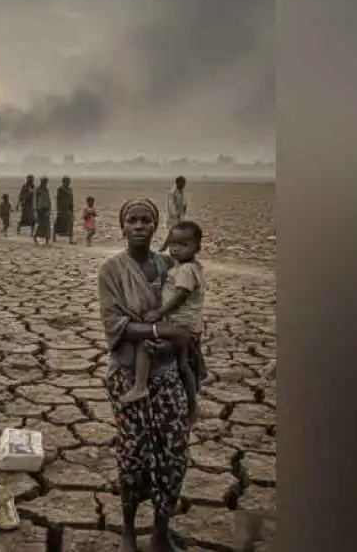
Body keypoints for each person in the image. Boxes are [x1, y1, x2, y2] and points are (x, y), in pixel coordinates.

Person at [97, 198, 201, 552]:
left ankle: (160, 531)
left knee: (173, 453)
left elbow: (187, 317)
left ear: (155, 227)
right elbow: (116, 326)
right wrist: (163, 333)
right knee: (133, 454)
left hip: (167, 375)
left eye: (145, 220)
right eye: (132, 220)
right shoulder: (111, 271)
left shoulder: (171, 265)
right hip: (129, 377)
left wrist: (175, 342)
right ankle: (128, 530)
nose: (139, 226)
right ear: (122, 226)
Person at [120, 221, 208, 422]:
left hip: (179, 325)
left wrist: (159, 313)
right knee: (183, 364)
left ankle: (140, 387)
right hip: (189, 325)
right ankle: (193, 403)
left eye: (183, 244)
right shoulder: (190, 267)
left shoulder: (186, 270)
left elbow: (180, 296)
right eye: (172, 243)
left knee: (146, 342)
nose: (175, 248)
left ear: (197, 247)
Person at [165, 176, 187, 241]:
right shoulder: (172, 192)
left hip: (180, 215)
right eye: (183, 183)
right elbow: (171, 205)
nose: (184, 185)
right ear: (178, 183)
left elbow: (183, 201)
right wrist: (175, 214)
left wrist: (184, 207)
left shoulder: (181, 190)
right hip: (174, 217)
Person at [54, 176, 75, 245]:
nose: (68, 183)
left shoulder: (70, 189)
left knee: (70, 224)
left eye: (69, 181)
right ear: (64, 182)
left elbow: (71, 200)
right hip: (62, 209)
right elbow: (58, 200)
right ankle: (54, 237)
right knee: (59, 223)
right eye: (67, 181)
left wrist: (72, 210)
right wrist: (58, 209)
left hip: (68, 209)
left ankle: (70, 240)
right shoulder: (60, 189)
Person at [34, 177, 52, 245]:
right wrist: (36, 209)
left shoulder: (46, 190)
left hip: (46, 208)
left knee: (47, 225)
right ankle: (36, 237)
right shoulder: (38, 190)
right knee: (41, 225)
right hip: (40, 209)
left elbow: (48, 199)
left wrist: (49, 208)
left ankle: (47, 239)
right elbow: (35, 200)